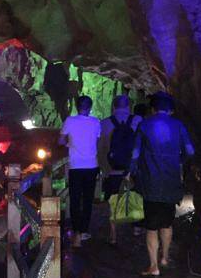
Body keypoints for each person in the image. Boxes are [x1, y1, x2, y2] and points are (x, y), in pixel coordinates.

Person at [130, 91, 195, 276]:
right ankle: (165, 258)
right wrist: (179, 161)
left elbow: (135, 153)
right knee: (167, 223)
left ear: (153, 108)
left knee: (151, 226)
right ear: (171, 110)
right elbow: (190, 150)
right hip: (171, 180)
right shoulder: (179, 126)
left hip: (150, 182)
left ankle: (153, 266)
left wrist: (131, 170)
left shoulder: (144, 124)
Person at [59, 95, 101, 247]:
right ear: (90, 108)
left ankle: (76, 231)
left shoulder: (70, 121)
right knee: (88, 199)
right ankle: (83, 231)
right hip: (91, 165)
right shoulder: (96, 122)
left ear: (77, 106)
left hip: (76, 165)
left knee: (75, 198)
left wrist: (70, 143)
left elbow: (61, 140)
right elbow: (96, 141)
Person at [99, 94, 142, 244]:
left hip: (113, 170)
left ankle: (113, 234)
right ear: (128, 106)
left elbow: (101, 150)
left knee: (113, 201)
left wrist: (105, 170)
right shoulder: (138, 121)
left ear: (113, 107)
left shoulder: (104, 123)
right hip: (133, 170)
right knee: (135, 198)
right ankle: (136, 228)